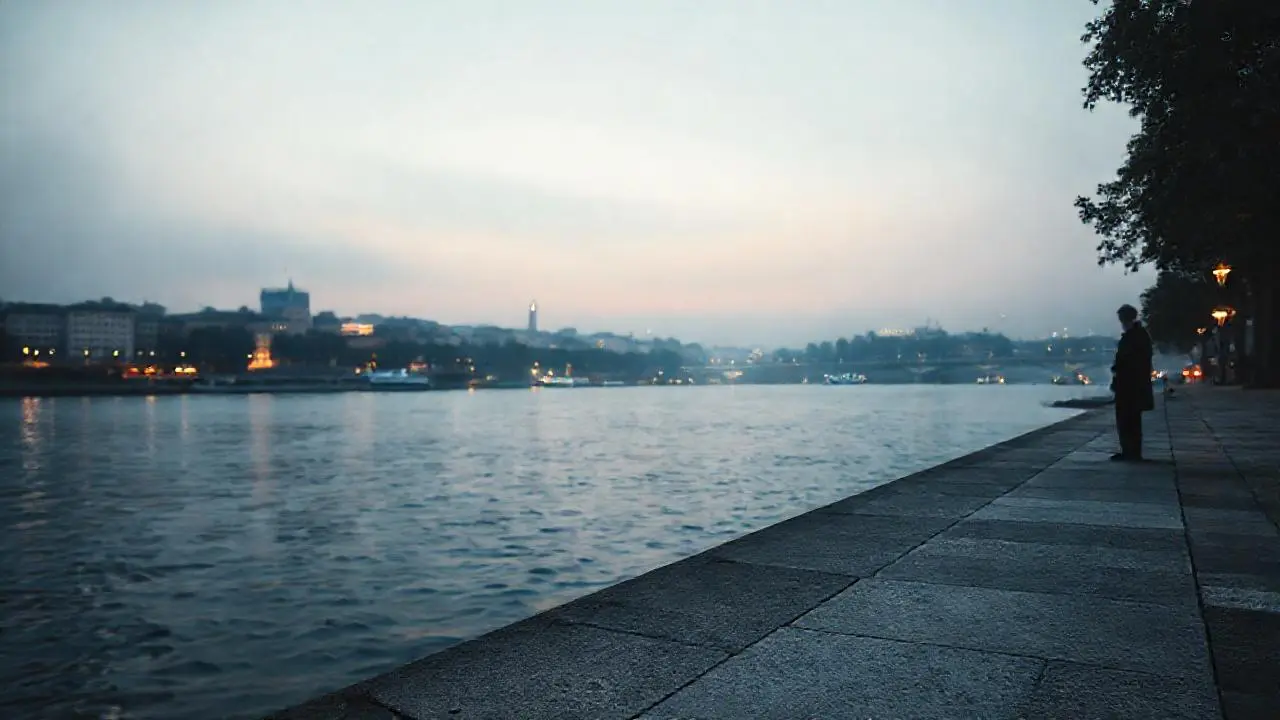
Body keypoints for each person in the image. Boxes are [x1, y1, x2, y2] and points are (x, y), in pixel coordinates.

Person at [1110, 304, 1154, 461]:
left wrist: (1117, 368)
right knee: (1132, 420)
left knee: (1127, 419)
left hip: (1129, 385)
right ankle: (1131, 451)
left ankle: (1130, 451)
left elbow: (1128, 361)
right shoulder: (1140, 335)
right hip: (1134, 384)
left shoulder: (1132, 337)